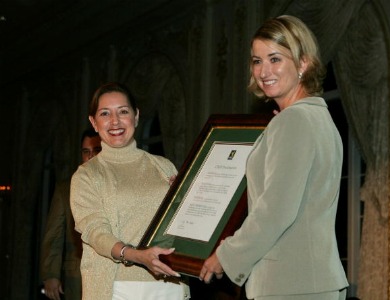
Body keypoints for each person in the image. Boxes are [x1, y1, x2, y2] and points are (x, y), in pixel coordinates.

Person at [199, 15, 349, 300]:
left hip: (289, 284)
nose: (264, 70)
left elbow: (275, 210)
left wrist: (227, 255)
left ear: (303, 63)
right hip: (312, 281)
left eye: (275, 59)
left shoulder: (292, 121)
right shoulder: (317, 117)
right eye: (257, 61)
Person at [70, 82, 190, 300]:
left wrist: (186, 201)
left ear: (136, 116)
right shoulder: (86, 175)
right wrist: (136, 255)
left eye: (123, 111)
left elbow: (183, 224)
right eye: (105, 113)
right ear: (94, 123)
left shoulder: (164, 166)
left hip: (169, 283)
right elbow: (96, 232)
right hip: (116, 288)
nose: (115, 121)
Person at [40, 128, 102, 300]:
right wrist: (51, 274)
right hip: (77, 273)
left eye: (96, 151)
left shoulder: (117, 185)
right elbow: (53, 235)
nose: (90, 157)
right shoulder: (65, 188)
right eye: (85, 152)